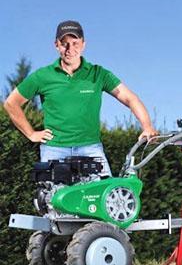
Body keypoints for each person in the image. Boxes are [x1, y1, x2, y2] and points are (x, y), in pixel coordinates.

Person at [3, 20, 158, 176]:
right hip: (54, 150)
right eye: (64, 43)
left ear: (83, 44)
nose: (70, 49)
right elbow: (11, 103)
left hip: (91, 149)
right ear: (56, 45)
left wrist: (147, 126)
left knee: (105, 197)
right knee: (54, 199)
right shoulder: (42, 76)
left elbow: (130, 98)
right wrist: (31, 134)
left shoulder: (98, 74)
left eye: (75, 43)